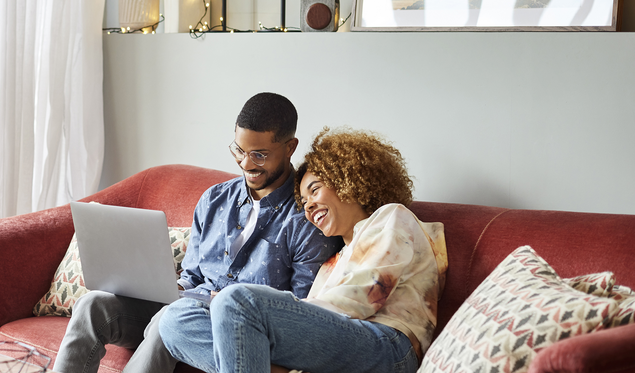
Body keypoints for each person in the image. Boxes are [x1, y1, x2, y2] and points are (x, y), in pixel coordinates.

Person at [52, 93, 343, 373]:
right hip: (191, 301)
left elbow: (301, 309)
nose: (246, 164)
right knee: (92, 305)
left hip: (237, 324)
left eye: (260, 154)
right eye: (239, 151)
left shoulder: (307, 217)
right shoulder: (214, 199)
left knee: (172, 318)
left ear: (290, 147)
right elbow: (192, 275)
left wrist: (227, 301)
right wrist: (167, 288)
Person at [159, 126, 448, 373]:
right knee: (175, 320)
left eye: (315, 189)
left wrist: (249, 311)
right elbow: (315, 328)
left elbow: (358, 301)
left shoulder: (391, 218)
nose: (307, 205)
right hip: (341, 342)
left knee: (236, 301)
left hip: (389, 347)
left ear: (347, 181)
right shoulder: (332, 262)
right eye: (303, 199)